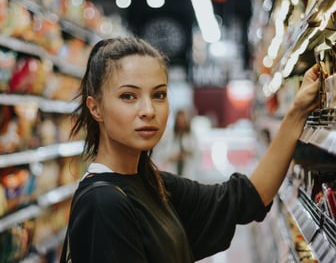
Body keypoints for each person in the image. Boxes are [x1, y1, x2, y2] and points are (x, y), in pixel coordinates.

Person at [60, 37, 320, 262]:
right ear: (95, 108)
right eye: (129, 96)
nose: (149, 110)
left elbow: (245, 199)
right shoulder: (103, 204)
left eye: (159, 95)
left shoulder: (151, 183)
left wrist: (297, 112)